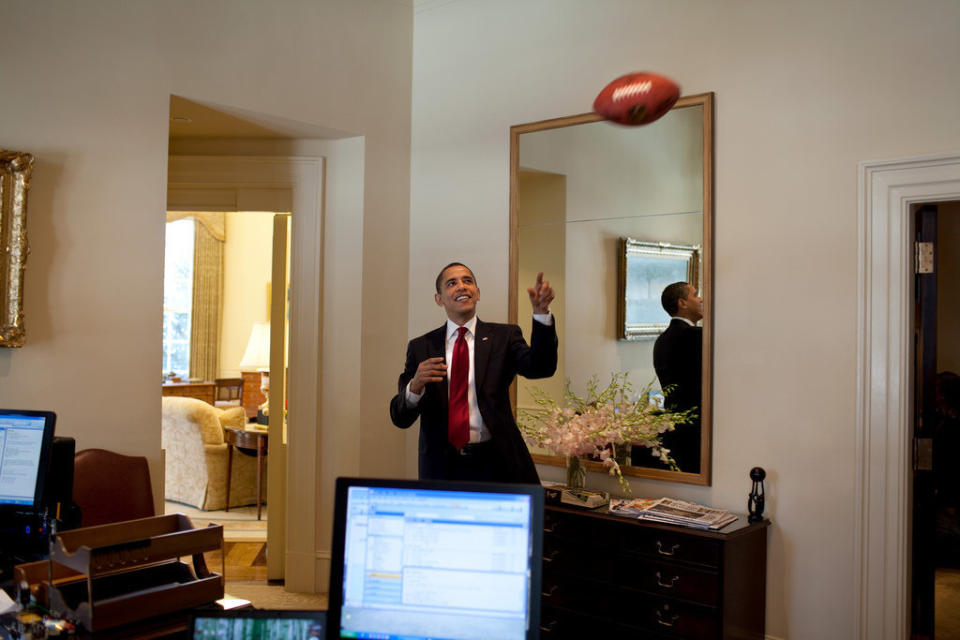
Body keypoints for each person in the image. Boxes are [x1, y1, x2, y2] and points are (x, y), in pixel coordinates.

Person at [390, 262, 557, 483]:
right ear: (439, 299)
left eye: (467, 281)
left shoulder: (504, 337)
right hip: (441, 467)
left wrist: (541, 315)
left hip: (497, 464)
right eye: (452, 283)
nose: (461, 286)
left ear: (477, 293)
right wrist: (416, 385)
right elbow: (400, 417)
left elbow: (541, 367)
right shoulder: (421, 347)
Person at [651, 281, 703, 473]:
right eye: (696, 295)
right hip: (698, 430)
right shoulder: (697, 337)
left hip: (674, 428)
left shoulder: (661, 340)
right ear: (683, 303)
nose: (701, 299)